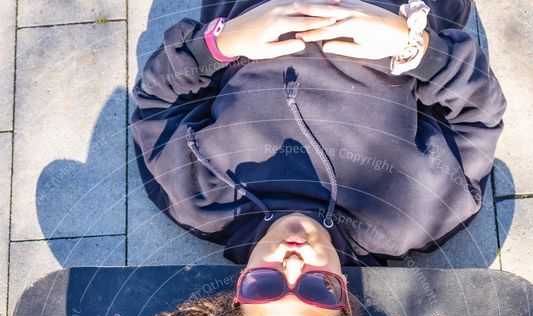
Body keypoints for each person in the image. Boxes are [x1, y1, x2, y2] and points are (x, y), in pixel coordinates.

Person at [131, 0, 506, 266]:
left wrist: (218, 45)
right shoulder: (411, 219)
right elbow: (478, 117)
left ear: (238, 292)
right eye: (317, 289)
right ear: (346, 299)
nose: (292, 265)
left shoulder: (195, 200)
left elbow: (155, 103)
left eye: (264, 286)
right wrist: (413, 48)